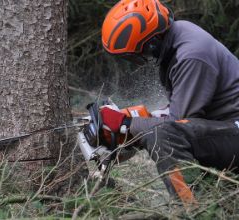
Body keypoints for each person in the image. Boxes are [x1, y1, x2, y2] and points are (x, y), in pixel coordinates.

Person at [99, 0, 239, 205]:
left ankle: (193, 210)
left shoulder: (191, 56)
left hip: (233, 128)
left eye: (138, 53)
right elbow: (180, 113)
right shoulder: (178, 36)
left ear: (152, 42)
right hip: (226, 126)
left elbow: (177, 125)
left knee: (163, 136)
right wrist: (134, 117)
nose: (140, 58)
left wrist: (126, 124)